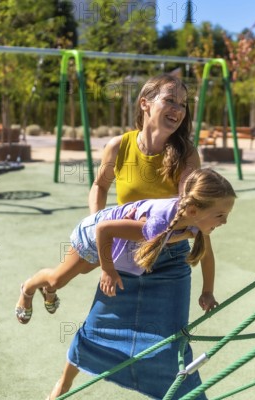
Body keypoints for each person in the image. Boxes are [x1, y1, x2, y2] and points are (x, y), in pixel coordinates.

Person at [49, 74, 218, 399]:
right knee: (97, 325)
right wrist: (97, 226)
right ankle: (63, 385)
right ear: (145, 103)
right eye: (170, 100)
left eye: (183, 104)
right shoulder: (120, 145)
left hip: (169, 262)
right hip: (127, 254)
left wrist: (208, 288)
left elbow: (189, 217)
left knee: (173, 342)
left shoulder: (186, 155)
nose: (178, 110)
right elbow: (100, 186)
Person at [15, 168, 235, 320]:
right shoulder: (157, 222)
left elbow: (206, 255)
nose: (225, 221)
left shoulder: (193, 220)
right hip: (93, 235)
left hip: (114, 242)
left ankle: (49, 289)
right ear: (195, 210)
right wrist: (108, 271)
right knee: (58, 278)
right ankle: (29, 287)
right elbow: (104, 229)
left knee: (81, 271)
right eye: (220, 215)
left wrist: (207, 291)